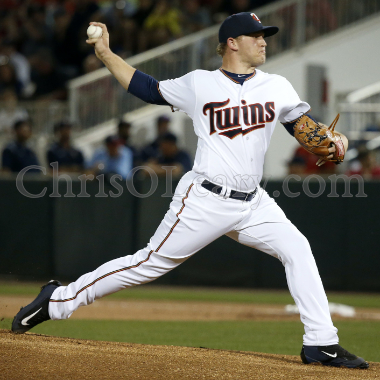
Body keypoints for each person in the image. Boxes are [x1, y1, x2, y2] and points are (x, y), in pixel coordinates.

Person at [11, 14, 368, 369]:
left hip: (253, 202)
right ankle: (58, 299)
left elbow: (301, 126)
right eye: (256, 36)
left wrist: (328, 140)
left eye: (265, 36)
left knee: (297, 249)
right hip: (205, 199)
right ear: (232, 42)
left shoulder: (277, 86)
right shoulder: (200, 84)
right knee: (148, 263)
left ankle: (322, 343)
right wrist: (105, 53)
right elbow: (145, 88)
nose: (264, 42)